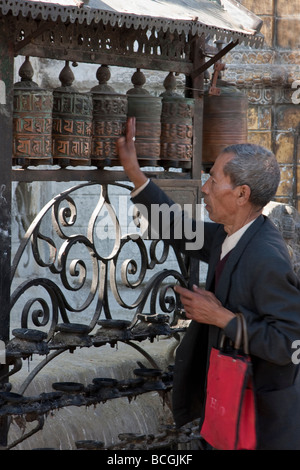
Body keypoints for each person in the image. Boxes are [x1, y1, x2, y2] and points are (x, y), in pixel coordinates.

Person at [117, 117, 300, 450]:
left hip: (263, 425)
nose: (204, 187)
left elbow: (291, 344)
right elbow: (178, 227)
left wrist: (222, 318)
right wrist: (134, 171)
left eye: (213, 180)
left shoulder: (267, 257)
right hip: (230, 407)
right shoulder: (231, 234)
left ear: (242, 194)